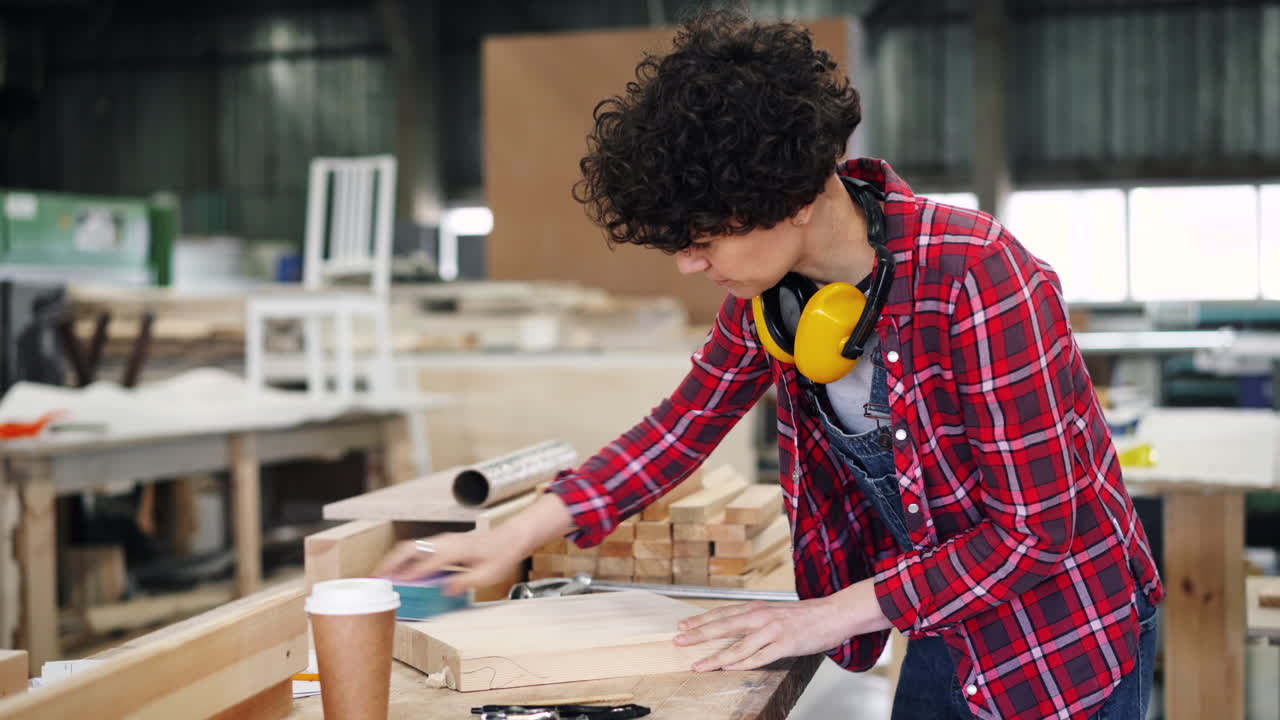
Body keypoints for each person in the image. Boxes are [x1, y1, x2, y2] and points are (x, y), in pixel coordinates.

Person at [378, 9, 1163, 720]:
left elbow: (1034, 534)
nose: (689, 265)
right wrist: (512, 536)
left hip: (1059, 634)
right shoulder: (772, 298)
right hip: (941, 619)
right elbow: (680, 428)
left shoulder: (977, 276)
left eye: (704, 239)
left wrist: (818, 617)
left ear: (791, 198)